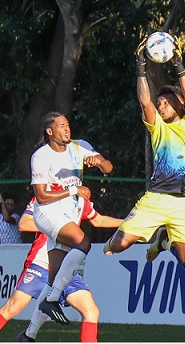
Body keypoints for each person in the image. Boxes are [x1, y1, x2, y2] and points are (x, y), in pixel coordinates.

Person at [103, 32, 185, 273]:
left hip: (184, 205)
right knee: (117, 246)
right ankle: (151, 239)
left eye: (167, 102)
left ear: (180, 104)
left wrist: (179, 64)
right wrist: (141, 67)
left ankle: (165, 242)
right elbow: (145, 102)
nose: (162, 106)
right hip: (156, 199)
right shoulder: (158, 128)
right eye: (160, 104)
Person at [0, 197, 123, 342]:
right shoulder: (45, 196)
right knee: (13, 306)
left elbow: (99, 220)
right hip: (40, 263)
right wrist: (53, 226)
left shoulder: (80, 200)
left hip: (65, 268)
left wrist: (127, 224)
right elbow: (24, 224)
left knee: (91, 311)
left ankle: (28, 336)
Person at [30, 111, 113, 325]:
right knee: (83, 242)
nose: (67, 129)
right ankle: (53, 299)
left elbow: (108, 167)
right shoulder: (41, 156)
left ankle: (29, 334)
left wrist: (99, 162)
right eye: (61, 125)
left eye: (68, 124)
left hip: (68, 216)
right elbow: (41, 196)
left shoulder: (80, 146)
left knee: (53, 277)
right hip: (47, 213)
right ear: (50, 131)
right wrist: (74, 190)